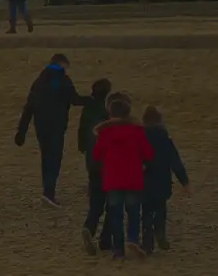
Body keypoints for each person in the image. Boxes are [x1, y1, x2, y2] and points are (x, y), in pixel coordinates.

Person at [14, 52, 89, 206]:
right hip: (56, 125)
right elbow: (75, 100)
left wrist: (21, 131)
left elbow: (29, 107)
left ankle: (47, 190)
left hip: (41, 125)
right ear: (62, 64)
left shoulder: (39, 81)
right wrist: (94, 99)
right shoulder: (63, 80)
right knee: (54, 158)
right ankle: (49, 192)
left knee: (46, 156)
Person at [90, 92, 153, 258]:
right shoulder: (137, 131)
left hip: (112, 178)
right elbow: (148, 152)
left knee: (115, 213)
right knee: (133, 211)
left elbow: (96, 154)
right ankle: (132, 238)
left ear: (110, 114)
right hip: (133, 177)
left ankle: (118, 248)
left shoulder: (105, 133)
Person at [140, 105, 190, 254]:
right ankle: (160, 233)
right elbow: (175, 161)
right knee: (160, 209)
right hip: (162, 180)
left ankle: (147, 243)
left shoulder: (139, 136)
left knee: (146, 212)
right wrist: (184, 181)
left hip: (144, 180)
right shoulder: (164, 137)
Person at [78, 78, 114, 255]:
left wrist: (82, 147)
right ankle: (105, 239)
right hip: (106, 166)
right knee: (112, 204)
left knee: (96, 203)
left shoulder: (88, 109)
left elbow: (81, 130)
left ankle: (89, 227)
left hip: (91, 160)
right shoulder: (106, 114)